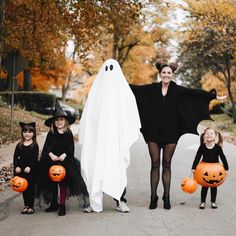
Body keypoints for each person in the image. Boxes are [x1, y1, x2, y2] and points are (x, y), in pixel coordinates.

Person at [130, 62, 216, 210]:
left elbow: (194, 92)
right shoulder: (152, 89)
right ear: (160, 74)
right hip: (153, 132)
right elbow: (134, 89)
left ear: (172, 75)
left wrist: (210, 95)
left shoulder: (177, 90)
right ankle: (153, 197)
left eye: (169, 73)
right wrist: (116, 83)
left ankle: (167, 196)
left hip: (172, 132)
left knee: (167, 163)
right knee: (155, 163)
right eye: (164, 72)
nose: (166, 75)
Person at [79, 58, 141, 213]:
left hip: (116, 139)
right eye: (106, 68)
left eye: (112, 68)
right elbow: (89, 115)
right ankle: (94, 202)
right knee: (95, 166)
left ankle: (121, 201)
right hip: (98, 139)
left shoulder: (123, 92)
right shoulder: (96, 92)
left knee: (117, 168)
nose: (109, 72)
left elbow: (130, 112)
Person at [38, 101, 89, 216]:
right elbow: (46, 148)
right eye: (56, 120)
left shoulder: (68, 133)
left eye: (61, 120)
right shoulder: (51, 133)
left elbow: (70, 149)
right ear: (53, 122)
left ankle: (62, 205)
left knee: (62, 183)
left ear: (65, 121)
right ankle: (54, 203)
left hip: (64, 161)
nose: (59, 122)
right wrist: (51, 155)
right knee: (51, 182)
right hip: (51, 160)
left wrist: (63, 155)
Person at [192, 127, 229, 209]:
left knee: (214, 186)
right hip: (204, 169)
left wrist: (226, 168)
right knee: (204, 186)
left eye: (211, 133)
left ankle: (213, 202)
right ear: (204, 136)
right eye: (207, 133)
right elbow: (197, 157)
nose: (209, 135)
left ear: (216, 136)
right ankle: (202, 202)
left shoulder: (218, 148)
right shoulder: (202, 147)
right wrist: (193, 168)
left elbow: (223, 158)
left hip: (215, 170)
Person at [13, 122, 39, 214]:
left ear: (33, 133)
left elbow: (34, 158)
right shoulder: (19, 145)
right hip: (22, 170)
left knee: (30, 188)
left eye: (29, 132)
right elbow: (15, 157)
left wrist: (29, 167)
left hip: (31, 170)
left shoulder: (34, 145)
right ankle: (26, 206)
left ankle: (31, 206)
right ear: (22, 133)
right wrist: (17, 166)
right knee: (24, 188)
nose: (27, 134)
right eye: (25, 131)